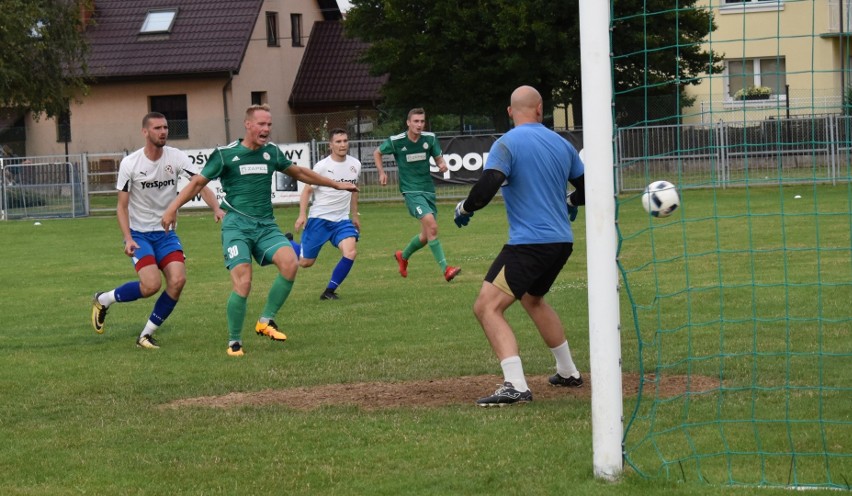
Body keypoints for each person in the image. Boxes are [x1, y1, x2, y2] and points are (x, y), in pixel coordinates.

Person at [161, 104, 358, 357]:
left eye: (269, 125)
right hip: (236, 226)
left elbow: (298, 172)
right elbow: (198, 182)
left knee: (290, 263)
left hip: (265, 225)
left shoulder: (271, 153)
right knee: (244, 282)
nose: (266, 129)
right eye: (262, 124)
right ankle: (234, 342)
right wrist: (171, 208)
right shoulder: (225, 155)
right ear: (248, 125)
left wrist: (335, 184)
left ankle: (265, 321)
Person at [453, 86, 586, 407]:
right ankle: (568, 371)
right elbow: (587, 189)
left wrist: (466, 208)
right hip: (560, 242)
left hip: (530, 244)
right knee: (533, 299)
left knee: (486, 307)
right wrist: (569, 200)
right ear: (540, 109)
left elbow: (487, 185)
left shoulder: (507, 143)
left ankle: (515, 385)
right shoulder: (562, 143)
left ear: (511, 112)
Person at [91, 112, 224, 349]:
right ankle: (104, 299)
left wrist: (216, 208)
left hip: (165, 233)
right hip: (140, 234)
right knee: (151, 286)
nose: (163, 132)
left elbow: (200, 184)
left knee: (178, 280)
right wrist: (128, 238)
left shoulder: (176, 157)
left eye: (165, 127)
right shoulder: (130, 163)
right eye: (157, 128)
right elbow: (121, 207)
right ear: (145, 132)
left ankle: (146, 335)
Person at [373, 108, 461, 282]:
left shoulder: (430, 138)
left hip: (427, 189)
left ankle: (403, 256)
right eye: (416, 121)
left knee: (426, 236)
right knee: (433, 227)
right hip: (411, 191)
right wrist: (381, 172)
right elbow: (377, 152)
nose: (419, 124)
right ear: (408, 123)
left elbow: (438, 158)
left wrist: (442, 165)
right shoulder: (396, 141)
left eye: (422, 121)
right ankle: (446, 269)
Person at [289, 128, 361, 300]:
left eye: (345, 141)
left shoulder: (355, 164)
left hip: (342, 221)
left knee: (350, 252)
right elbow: (307, 191)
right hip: (319, 219)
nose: (342, 144)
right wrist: (302, 214)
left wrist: (355, 215)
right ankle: (288, 242)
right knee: (305, 262)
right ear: (330, 145)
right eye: (338, 141)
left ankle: (329, 291)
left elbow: (354, 190)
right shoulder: (322, 166)